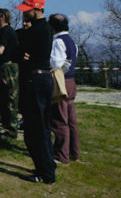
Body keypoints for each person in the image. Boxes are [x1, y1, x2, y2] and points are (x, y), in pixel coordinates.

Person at [15, 0, 56, 184]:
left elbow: (15, 49)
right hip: (44, 78)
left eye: (27, 11)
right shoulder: (46, 29)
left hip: (35, 81)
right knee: (43, 127)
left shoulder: (35, 31)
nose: (23, 15)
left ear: (37, 9)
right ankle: (47, 166)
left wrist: (20, 51)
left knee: (34, 130)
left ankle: (45, 172)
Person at [49, 14, 80, 164]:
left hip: (62, 82)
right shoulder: (72, 42)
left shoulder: (58, 41)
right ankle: (74, 152)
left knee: (60, 120)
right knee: (71, 120)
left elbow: (55, 63)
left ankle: (62, 155)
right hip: (72, 81)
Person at [0, 8, 20, 139]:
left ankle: (11, 130)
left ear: (1, 17)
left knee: (10, 98)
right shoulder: (10, 31)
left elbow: (0, 50)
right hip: (11, 67)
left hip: (8, 68)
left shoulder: (5, 31)